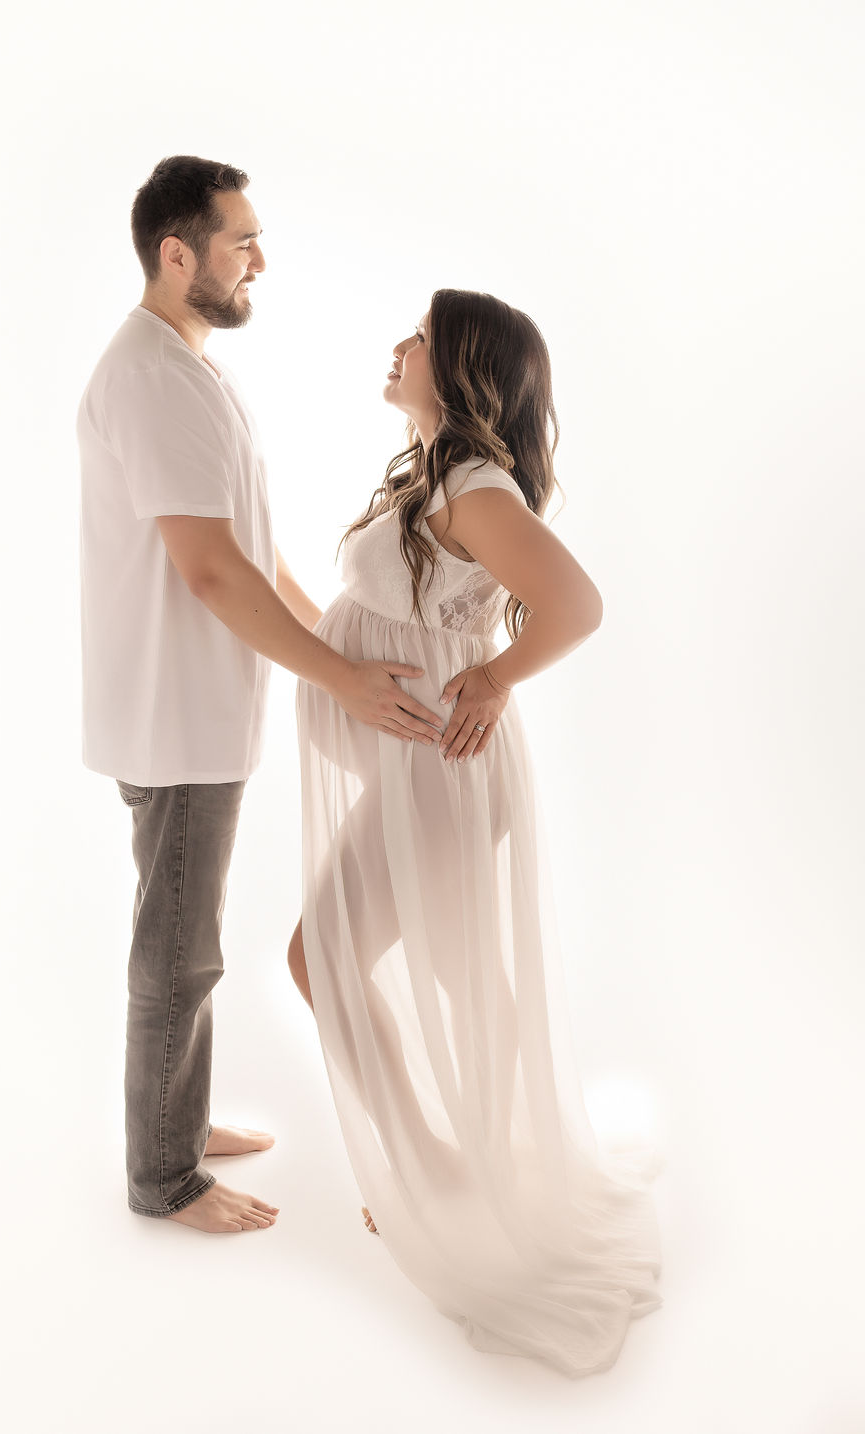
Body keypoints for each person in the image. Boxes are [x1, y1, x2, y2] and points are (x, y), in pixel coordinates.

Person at [287, 289, 663, 1372]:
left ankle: (440, 1174)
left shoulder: (473, 485)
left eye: (417, 334)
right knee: (453, 976)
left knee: (320, 961)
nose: (397, 344)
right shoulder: (433, 482)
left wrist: (494, 678)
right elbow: (369, 619)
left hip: (439, 783)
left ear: (457, 369)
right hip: (423, 781)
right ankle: (494, 1163)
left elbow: (575, 605)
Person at [77, 156, 445, 1234]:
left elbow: (248, 548)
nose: (260, 261)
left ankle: (173, 1128)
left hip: (195, 706)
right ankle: (163, 1176)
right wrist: (338, 677)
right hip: (172, 713)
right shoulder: (148, 377)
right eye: (241, 241)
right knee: (179, 950)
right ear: (175, 253)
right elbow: (208, 571)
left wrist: (335, 636)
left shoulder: (186, 369)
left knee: (186, 937)